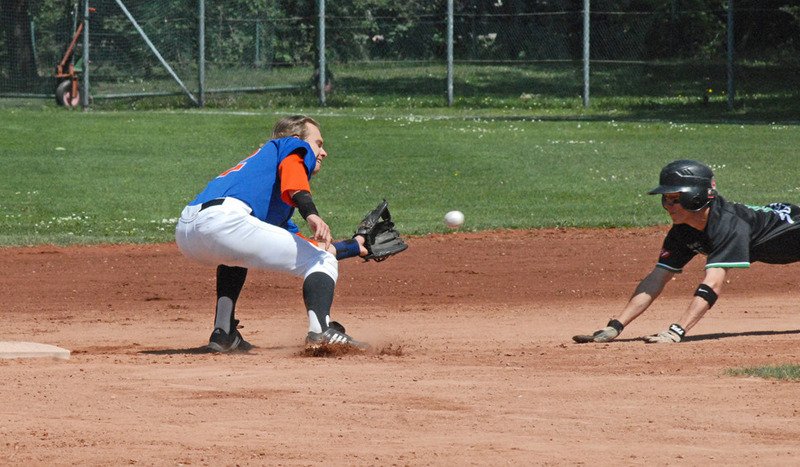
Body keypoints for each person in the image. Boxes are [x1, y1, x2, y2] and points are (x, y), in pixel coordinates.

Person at [176, 115, 370, 352]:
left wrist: (356, 246)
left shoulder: (263, 185)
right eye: (318, 144)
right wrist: (311, 213)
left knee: (237, 255)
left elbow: (306, 247)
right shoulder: (289, 145)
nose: (324, 152)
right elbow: (293, 171)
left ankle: (223, 333)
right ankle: (321, 331)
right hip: (224, 221)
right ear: (298, 139)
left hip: (189, 232)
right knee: (321, 260)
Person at [574, 159, 800, 344]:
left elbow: (713, 284)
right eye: (666, 199)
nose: (668, 206)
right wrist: (616, 326)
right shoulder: (683, 231)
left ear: (697, 197)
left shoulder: (729, 225)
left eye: (675, 199)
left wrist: (676, 331)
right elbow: (656, 279)